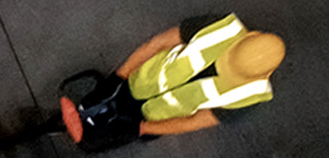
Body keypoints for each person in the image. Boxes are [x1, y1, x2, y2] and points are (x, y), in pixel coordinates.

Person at [58, 13, 286, 151]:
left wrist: (140, 128)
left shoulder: (251, 95)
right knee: (92, 105)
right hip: (134, 82)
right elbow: (158, 44)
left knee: (99, 138)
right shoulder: (221, 27)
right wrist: (120, 76)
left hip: (154, 117)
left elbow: (194, 122)